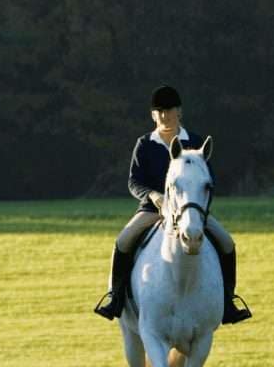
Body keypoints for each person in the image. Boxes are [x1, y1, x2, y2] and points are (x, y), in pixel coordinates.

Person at [93, 85, 252, 324]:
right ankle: (115, 299)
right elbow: (134, 182)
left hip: (190, 211)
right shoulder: (145, 144)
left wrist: (197, 206)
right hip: (153, 210)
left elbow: (208, 180)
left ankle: (228, 303)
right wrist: (153, 196)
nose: (164, 116)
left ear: (179, 111)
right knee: (123, 241)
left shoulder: (195, 142)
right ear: (153, 115)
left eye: (169, 110)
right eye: (159, 112)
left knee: (227, 244)